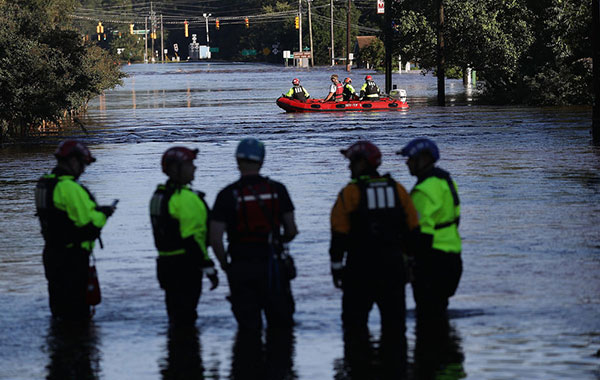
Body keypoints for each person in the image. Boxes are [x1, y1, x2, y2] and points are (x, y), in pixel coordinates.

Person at [329, 141, 419, 347]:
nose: (348, 167)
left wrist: (336, 268)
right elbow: (413, 231)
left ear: (362, 164)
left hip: (359, 269)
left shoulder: (350, 194)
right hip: (393, 268)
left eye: (351, 162)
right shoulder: (398, 190)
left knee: (354, 326)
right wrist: (411, 264)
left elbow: (338, 235)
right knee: (395, 327)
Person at [210, 137, 298, 331]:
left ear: (237, 160)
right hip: (272, 266)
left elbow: (215, 239)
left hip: (240, 266)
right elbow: (291, 230)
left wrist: (225, 265)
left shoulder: (226, 194)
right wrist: (277, 241)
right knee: (281, 328)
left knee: (248, 329)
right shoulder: (278, 190)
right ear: (262, 160)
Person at [35, 140, 117, 321]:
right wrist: (105, 213)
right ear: (72, 160)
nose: (83, 169)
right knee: (77, 314)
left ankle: (60, 345)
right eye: (82, 164)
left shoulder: (45, 184)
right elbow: (90, 223)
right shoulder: (70, 188)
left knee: (59, 312)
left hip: (52, 254)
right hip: (72, 259)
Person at [149, 146, 219, 326]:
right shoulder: (185, 198)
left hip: (165, 265)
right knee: (187, 317)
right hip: (186, 267)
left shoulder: (158, 195)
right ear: (175, 169)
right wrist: (208, 265)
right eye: (189, 164)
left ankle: (176, 350)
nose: (194, 168)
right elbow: (193, 238)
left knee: (175, 315)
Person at [397, 138, 462, 320]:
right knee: (440, 313)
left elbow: (420, 234)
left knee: (427, 318)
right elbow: (455, 218)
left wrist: (410, 263)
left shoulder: (423, 191)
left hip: (432, 261)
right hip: (453, 256)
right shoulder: (447, 181)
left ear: (424, 159)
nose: (407, 162)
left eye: (410, 158)